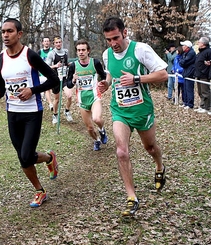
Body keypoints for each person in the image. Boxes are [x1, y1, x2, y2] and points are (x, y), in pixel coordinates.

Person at [98, 17, 168, 217]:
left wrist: (137, 78)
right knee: (121, 151)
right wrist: (107, 83)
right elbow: (112, 75)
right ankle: (131, 198)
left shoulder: (141, 49)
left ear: (125, 33)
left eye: (116, 38)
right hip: (120, 110)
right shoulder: (106, 54)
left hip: (142, 110)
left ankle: (159, 166)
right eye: (109, 40)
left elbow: (163, 75)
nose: (113, 44)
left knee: (150, 147)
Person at [0, 18, 59, 208]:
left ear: (19, 34)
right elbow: (2, 86)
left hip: (32, 112)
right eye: (3, 31)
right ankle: (43, 179)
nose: (5, 35)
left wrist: (33, 90)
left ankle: (45, 171)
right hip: (12, 113)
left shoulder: (30, 56)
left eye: (10, 31)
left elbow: (53, 79)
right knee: (23, 157)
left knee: (26, 155)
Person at [66, 40, 108, 151]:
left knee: (97, 119)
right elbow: (69, 84)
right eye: (79, 50)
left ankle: (102, 130)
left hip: (94, 96)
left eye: (83, 50)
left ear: (88, 51)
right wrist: (74, 81)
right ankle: (96, 141)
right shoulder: (73, 66)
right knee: (89, 128)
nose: (81, 52)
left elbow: (104, 76)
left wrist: (102, 82)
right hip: (82, 99)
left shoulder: (95, 63)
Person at [46, 36, 73, 124]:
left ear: (62, 43)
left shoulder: (65, 52)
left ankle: (67, 111)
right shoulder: (52, 53)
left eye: (60, 42)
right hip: (56, 79)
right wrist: (55, 66)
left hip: (64, 78)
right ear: (54, 44)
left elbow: (66, 63)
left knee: (69, 96)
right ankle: (55, 114)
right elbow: (46, 66)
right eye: (56, 42)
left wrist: (70, 65)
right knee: (56, 99)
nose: (58, 44)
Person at [194, 37, 211, 115]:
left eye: (199, 42)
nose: (198, 43)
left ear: (203, 44)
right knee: (200, 92)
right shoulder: (200, 53)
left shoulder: (208, 51)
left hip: (205, 75)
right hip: (199, 74)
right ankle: (202, 106)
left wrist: (208, 63)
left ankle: (208, 107)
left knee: (205, 92)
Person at [179, 40, 196, 109]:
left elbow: (184, 62)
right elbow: (181, 62)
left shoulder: (191, 53)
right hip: (186, 72)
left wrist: (182, 61)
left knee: (189, 89)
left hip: (190, 73)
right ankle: (185, 102)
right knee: (185, 89)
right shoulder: (185, 53)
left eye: (184, 46)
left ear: (187, 47)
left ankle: (190, 104)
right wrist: (182, 61)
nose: (182, 47)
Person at [38, 37, 54, 110]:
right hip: (41, 74)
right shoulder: (40, 52)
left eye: (48, 41)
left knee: (47, 89)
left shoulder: (52, 51)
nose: (46, 42)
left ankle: (50, 103)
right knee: (45, 88)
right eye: (45, 41)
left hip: (50, 73)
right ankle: (47, 101)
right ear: (43, 43)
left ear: (49, 42)